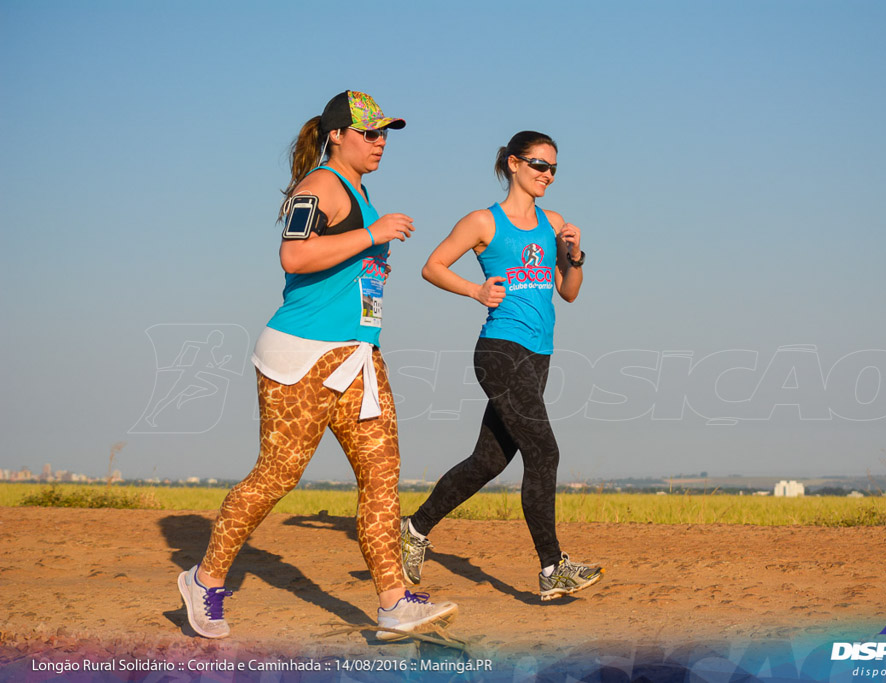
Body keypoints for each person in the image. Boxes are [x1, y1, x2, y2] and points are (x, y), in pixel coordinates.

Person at [176, 90, 456, 641]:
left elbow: (338, 264)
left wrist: (368, 264)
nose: (379, 142)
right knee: (277, 476)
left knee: (381, 478)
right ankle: (204, 580)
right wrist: (373, 236)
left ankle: (394, 602)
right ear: (336, 135)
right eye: (369, 133)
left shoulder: (358, 190)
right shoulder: (318, 186)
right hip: (301, 358)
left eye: (384, 134)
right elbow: (294, 255)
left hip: (356, 357)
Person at [400, 131, 603, 600]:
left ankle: (414, 529)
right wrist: (475, 290)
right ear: (513, 164)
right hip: (500, 350)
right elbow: (433, 266)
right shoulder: (482, 221)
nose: (546, 174)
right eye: (538, 165)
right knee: (545, 452)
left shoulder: (554, 223)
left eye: (553, 168)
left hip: (539, 354)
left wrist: (574, 256)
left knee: (488, 460)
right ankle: (553, 568)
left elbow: (568, 292)